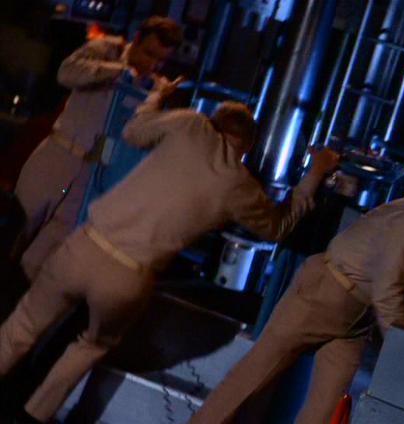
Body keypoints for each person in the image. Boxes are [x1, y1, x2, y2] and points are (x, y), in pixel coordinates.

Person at [0, 86, 340, 422]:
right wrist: (314, 174)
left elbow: (133, 132)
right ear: (245, 147)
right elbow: (278, 227)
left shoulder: (190, 124)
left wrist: (156, 96)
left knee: (22, 327)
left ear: (214, 122)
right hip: (128, 275)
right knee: (89, 346)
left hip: (87, 243)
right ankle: (33, 416)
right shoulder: (238, 183)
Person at [190, 196, 404, 424]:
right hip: (323, 296)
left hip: (355, 320)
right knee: (251, 380)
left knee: (324, 410)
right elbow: (388, 293)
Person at [12, 16, 183, 281]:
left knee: (46, 252)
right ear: (137, 39)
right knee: (18, 225)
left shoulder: (152, 85)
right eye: (149, 54)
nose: (152, 65)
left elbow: (137, 136)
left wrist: (158, 100)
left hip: (91, 174)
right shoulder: (107, 50)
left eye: (160, 61)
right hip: (59, 156)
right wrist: (119, 70)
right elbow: (66, 72)